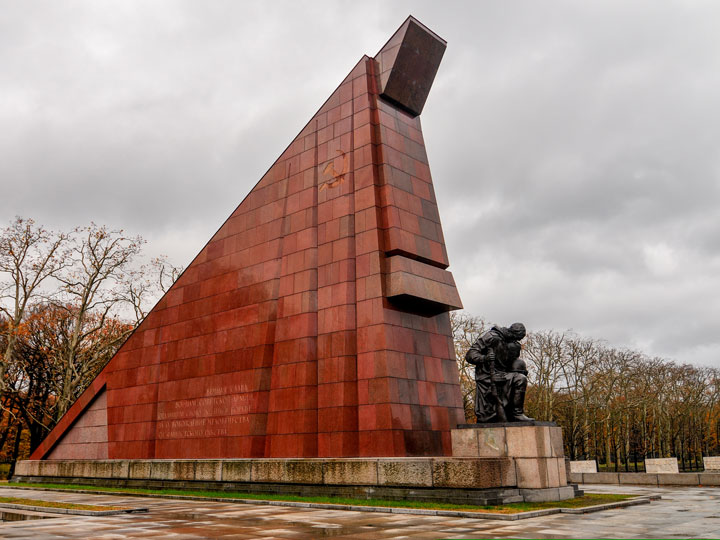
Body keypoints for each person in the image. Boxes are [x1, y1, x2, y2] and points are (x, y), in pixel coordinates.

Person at [465, 322, 534, 423]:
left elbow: (510, 362)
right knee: (519, 378)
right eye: (517, 338)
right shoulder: (492, 336)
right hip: (487, 376)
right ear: (512, 333)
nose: (517, 341)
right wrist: (485, 358)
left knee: (520, 378)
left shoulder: (513, 345)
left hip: (503, 374)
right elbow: (470, 355)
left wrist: (521, 369)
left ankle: (517, 413)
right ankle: (508, 413)